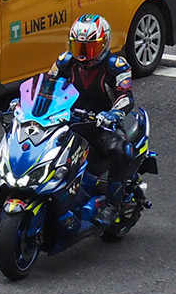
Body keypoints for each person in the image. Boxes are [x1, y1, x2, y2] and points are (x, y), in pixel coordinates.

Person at [47, 14, 135, 224]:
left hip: (101, 125)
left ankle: (113, 205)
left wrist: (112, 114)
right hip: (68, 121)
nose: (84, 54)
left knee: (119, 150)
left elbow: (126, 96)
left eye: (90, 48)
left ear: (104, 44)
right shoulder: (65, 62)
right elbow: (46, 88)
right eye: (79, 47)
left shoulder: (117, 66)